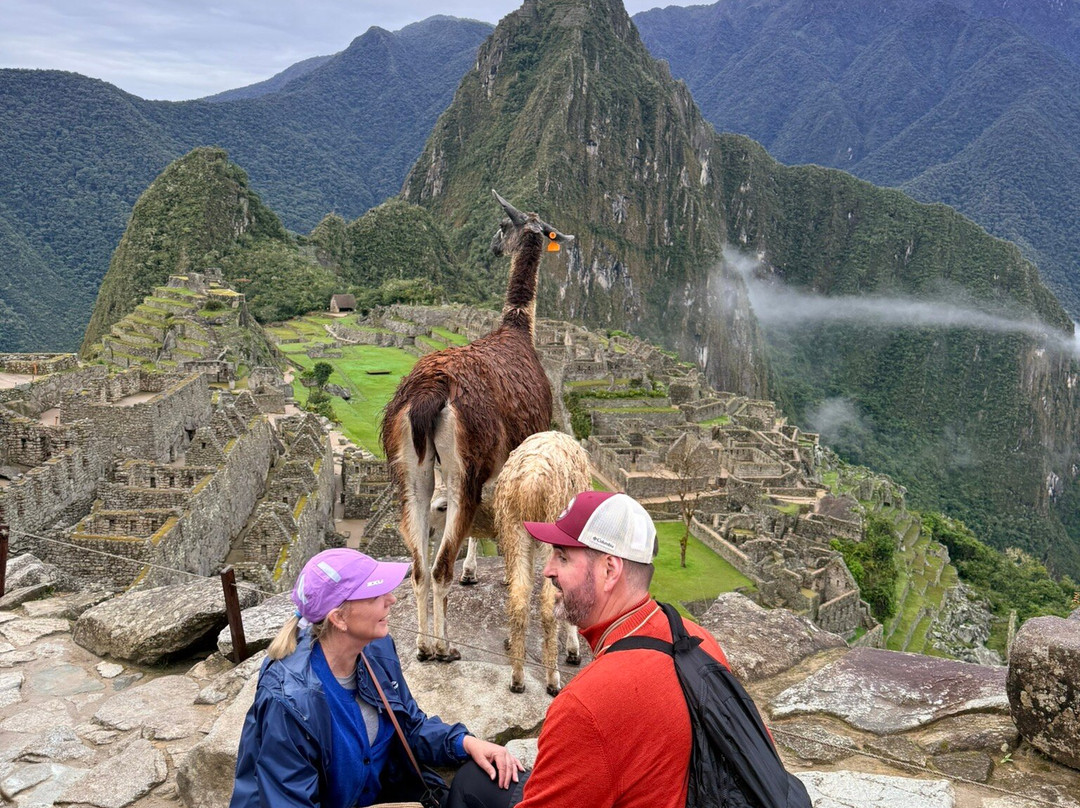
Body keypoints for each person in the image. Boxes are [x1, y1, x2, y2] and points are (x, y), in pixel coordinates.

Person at [454, 490, 733, 808]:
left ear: (610, 571)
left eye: (562, 556)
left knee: (470, 784)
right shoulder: (697, 638)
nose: (546, 570)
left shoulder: (586, 706)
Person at [231, 548, 523, 808]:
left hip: (387, 792)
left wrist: (465, 743)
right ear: (339, 618)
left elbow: (409, 724)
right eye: (375, 594)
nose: (392, 599)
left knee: (494, 779)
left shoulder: (376, 650)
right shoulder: (291, 702)